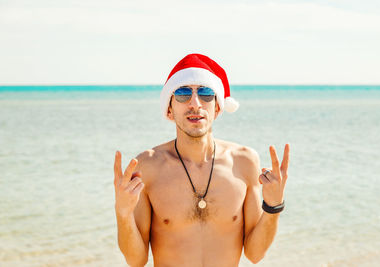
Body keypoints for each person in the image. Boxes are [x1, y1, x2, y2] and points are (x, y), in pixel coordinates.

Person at [113, 53, 290, 267]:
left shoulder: (244, 162)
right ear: (169, 109)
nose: (195, 103)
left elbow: (255, 254)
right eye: (182, 93)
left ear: (217, 107)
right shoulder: (148, 166)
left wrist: (273, 206)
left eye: (206, 93)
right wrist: (123, 213)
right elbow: (136, 260)